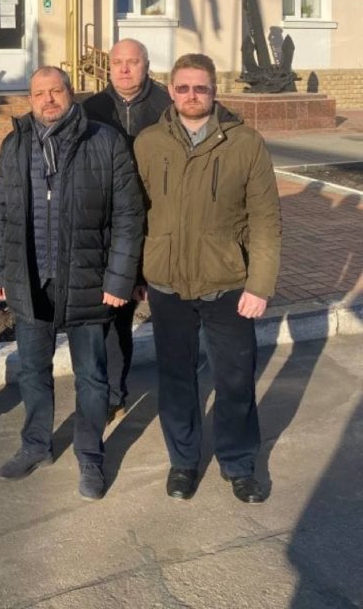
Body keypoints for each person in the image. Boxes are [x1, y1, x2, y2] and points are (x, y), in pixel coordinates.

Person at [0, 66, 144, 500]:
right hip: (31, 278)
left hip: (88, 279)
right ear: (30, 99)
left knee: (92, 377)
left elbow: (129, 216)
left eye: (55, 90)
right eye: (39, 93)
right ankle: (35, 445)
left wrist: (120, 278)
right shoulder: (15, 144)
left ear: (70, 93)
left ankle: (90, 456)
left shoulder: (105, 141)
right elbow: (1, 212)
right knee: (32, 371)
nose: (48, 99)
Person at [134, 53, 281, 504]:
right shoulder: (149, 143)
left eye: (200, 87)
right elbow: (136, 214)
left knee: (235, 380)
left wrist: (259, 285)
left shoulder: (245, 143)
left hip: (228, 284)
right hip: (167, 284)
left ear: (214, 91)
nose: (191, 95)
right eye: (183, 87)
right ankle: (183, 462)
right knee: (177, 379)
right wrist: (138, 272)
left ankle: (239, 464)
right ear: (171, 91)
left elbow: (266, 220)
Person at [83, 38, 171, 418]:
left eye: (132, 62)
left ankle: (175, 388)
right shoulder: (91, 109)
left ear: (146, 66)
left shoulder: (167, 106)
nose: (123, 69)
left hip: (158, 220)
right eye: (117, 61)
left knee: (163, 306)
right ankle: (112, 394)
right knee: (114, 312)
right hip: (109, 224)